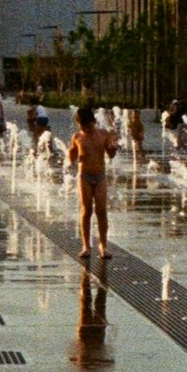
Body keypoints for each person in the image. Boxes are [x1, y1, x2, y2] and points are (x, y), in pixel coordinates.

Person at [71, 103, 114, 257]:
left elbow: (111, 154)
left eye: (88, 126)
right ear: (78, 125)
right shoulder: (77, 137)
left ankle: (103, 246)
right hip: (84, 177)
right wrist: (71, 155)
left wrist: (113, 148)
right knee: (86, 210)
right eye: (83, 127)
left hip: (100, 176)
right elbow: (72, 157)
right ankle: (86, 246)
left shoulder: (103, 134)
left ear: (94, 122)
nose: (86, 130)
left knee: (101, 210)